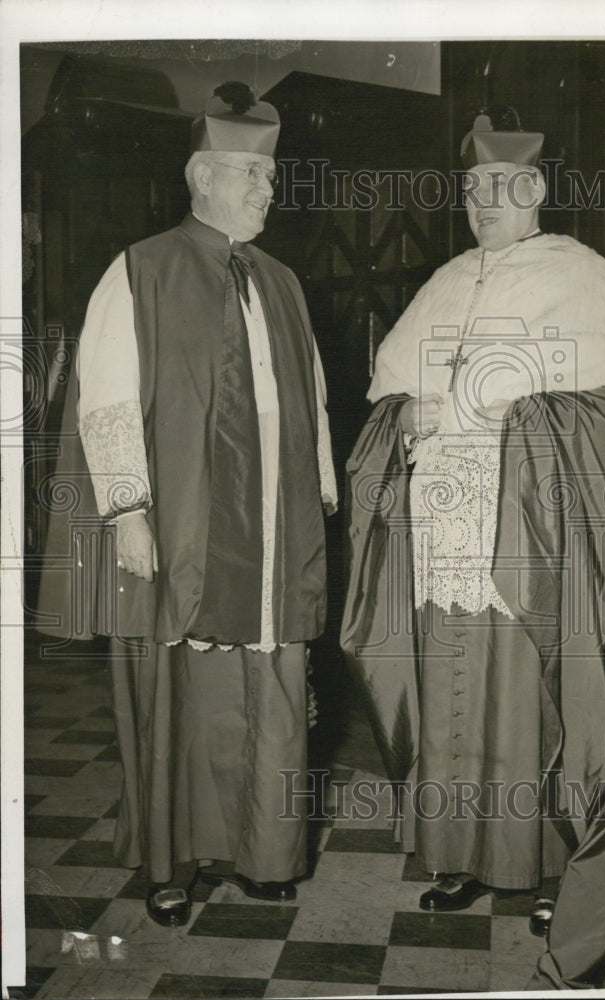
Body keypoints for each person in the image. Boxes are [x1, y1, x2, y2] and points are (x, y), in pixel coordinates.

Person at [341, 115, 605, 988]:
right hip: (442, 517)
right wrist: (406, 418)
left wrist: (475, 412)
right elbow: (392, 394)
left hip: (528, 524)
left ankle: (547, 870)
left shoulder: (580, 276)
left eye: (497, 190)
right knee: (450, 679)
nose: (479, 204)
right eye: (469, 192)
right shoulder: (445, 279)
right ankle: (458, 855)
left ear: (534, 193)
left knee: (527, 692)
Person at [37, 82, 337, 927]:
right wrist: (127, 508)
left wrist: (317, 490)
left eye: (270, 177)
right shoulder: (141, 269)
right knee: (179, 686)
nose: (265, 190)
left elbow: (308, 395)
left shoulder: (281, 280)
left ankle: (266, 853)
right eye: (248, 173)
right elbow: (106, 396)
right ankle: (172, 862)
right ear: (200, 175)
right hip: (183, 522)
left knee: (272, 680)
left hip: (275, 522)